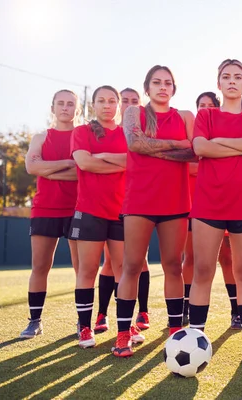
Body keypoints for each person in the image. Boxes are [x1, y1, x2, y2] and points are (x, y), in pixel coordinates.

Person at [112, 65, 195, 357]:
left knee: (174, 265)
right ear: (147, 88)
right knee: (131, 265)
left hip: (175, 200)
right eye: (157, 82)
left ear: (174, 88)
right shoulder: (134, 112)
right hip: (139, 200)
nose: (163, 87)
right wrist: (175, 146)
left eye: (168, 83)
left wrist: (154, 147)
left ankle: (175, 332)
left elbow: (193, 151)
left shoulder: (185, 116)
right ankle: (123, 334)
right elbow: (135, 143)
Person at [189, 59, 242, 364]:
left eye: (238, 77)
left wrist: (219, 142)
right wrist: (241, 147)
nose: (232, 81)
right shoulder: (206, 115)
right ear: (218, 83)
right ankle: (195, 339)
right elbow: (200, 148)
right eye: (226, 77)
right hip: (208, 203)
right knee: (203, 272)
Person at [69, 85, 128, 348]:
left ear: (118, 104)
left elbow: (133, 163)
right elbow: (84, 163)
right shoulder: (81, 132)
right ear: (93, 105)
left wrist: (102, 157)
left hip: (121, 212)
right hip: (89, 210)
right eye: (101, 101)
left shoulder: (127, 134)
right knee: (88, 270)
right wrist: (116, 162)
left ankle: (126, 326)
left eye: (111, 100)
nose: (107, 105)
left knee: (123, 270)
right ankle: (84, 327)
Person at [20, 90, 80, 339]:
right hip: (45, 208)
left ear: (77, 109)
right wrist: (67, 163)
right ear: (52, 108)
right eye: (61, 103)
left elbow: (83, 172)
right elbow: (31, 166)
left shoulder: (83, 135)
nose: (65, 108)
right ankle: (35, 321)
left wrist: (49, 170)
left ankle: (82, 321)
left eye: (70, 104)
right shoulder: (41, 137)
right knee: (41, 266)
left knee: (83, 269)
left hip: (79, 208)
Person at [181, 91, 241, 330]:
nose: (205, 109)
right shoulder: (191, 136)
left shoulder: (224, 131)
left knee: (228, 259)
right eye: (201, 105)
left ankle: (237, 311)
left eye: (209, 105)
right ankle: (186, 308)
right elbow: (187, 165)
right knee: (192, 259)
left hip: (222, 202)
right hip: (192, 205)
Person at [95, 88, 151, 334]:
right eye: (125, 101)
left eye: (134, 101)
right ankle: (102, 314)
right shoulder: (112, 133)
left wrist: (108, 159)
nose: (129, 105)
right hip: (111, 204)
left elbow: (139, 163)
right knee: (112, 262)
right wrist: (116, 159)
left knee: (140, 262)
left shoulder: (144, 132)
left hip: (139, 203)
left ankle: (142, 311)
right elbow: (92, 161)